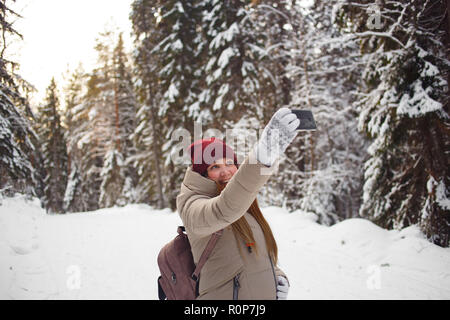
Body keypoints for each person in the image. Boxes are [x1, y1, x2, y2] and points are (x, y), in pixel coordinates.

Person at [176, 108, 299, 300]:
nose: (225, 172)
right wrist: (261, 158)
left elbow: (249, 258)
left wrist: (276, 276)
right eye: (214, 166)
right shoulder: (193, 206)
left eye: (229, 163)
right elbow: (222, 210)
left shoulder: (244, 207)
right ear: (202, 174)